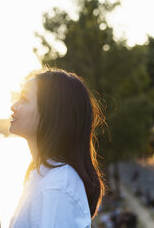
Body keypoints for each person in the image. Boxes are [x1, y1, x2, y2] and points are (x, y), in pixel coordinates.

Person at [9, 69, 105, 227]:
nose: (14, 106)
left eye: (24, 99)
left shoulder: (58, 186)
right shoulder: (41, 175)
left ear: (51, 113)